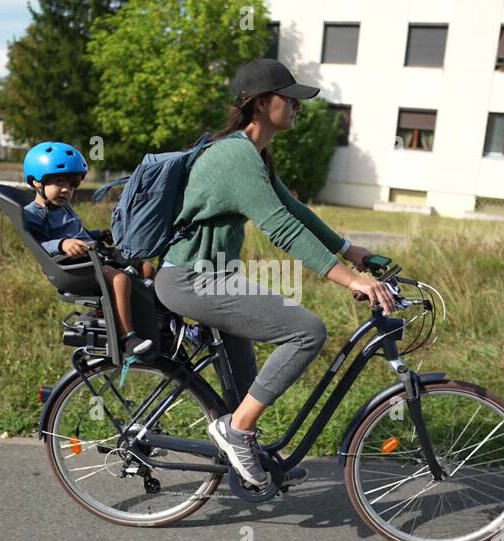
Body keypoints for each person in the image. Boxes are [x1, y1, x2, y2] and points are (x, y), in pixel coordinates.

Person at [154, 59, 396, 488]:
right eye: (291, 99)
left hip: (210, 277)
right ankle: (237, 432)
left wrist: (349, 250)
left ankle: (250, 458)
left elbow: (295, 211)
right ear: (263, 103)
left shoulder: (254, 154)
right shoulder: (234, 156)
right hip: (193, 280)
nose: (298, 107)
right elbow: (281, 229)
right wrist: (350, 279)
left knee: (245, 382)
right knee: (306, 330)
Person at [22, 142, 156, 357]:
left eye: (72, 185)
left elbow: (78, 234)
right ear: (37, 181)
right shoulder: (35, 212)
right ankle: (127, 338)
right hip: (73, 267)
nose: (67, 189)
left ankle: (154, 318)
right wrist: (61, 244)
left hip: (94, 255)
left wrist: (97, 234)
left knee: (146, 267)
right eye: (59, 182)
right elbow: (36, 244)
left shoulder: (62, 206)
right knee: (120, 279)